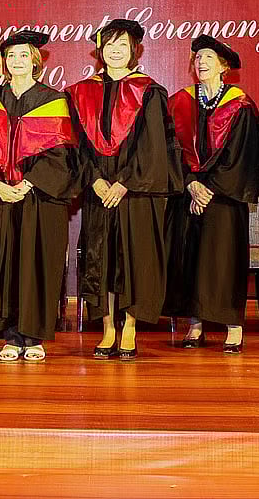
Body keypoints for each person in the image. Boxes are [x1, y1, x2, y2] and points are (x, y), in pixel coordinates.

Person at [66, 19, 183, 360]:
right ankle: (107, 329)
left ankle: (129, 328)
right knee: (101, 260)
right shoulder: (79, 92)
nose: (115, 51)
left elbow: (153, 147)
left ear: (134, 50)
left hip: (135, 192)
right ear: (99, 50)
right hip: (98, 191)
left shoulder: (150, 92)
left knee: (133, 260)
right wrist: (96, 180)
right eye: (109, 45)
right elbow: (76, 146)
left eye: (123, 45)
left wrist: (124, 181)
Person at [0, 30, 79, 361]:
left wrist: (29, 183)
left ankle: (34, 337)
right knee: (6, 264)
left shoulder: (52, 99)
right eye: (10, 56)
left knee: (38, 264)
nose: (17, 61)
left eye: (23, 55)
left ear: (35, 60)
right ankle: (11, 335)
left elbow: (61, 155)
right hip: (1, 197)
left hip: (39, 199)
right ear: (3, 62)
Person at [166, 35, 259, 354]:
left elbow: (245, 154)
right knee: (191, 257)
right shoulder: (179, 102)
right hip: (188, 193)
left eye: (209, 58)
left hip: (224, 197)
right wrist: (190, 183)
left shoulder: (240, 104)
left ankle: (233, 326)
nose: (202, 63)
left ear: (224, 67)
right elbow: (171, 150)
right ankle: (195, 324)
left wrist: (210, 187)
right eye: (197, 58)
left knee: (223, 260)